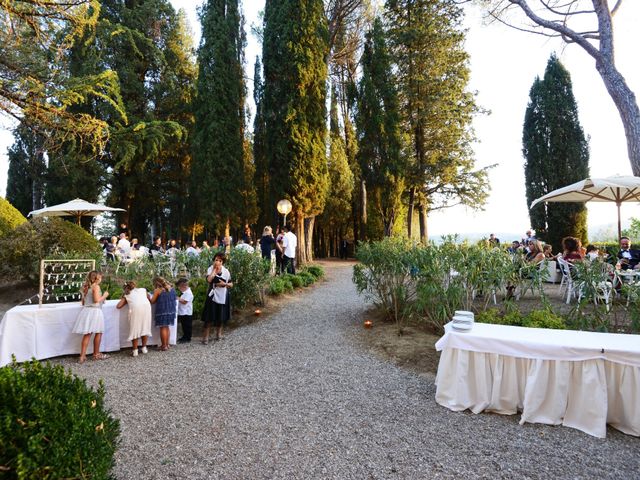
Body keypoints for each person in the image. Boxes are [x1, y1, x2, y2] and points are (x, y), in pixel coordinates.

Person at [72, 271, 110, 363]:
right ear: (95, 279)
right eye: (100, 278)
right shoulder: (96, 286)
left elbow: (84, 302)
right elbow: (96, 300)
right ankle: (96, 354)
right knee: (98, 333)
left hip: (87, 311)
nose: (101, 279)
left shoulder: (86, 287)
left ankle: (82, 356)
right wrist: (104, 296)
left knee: (87, 334)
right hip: (95, 312)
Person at [201, 252, 233, 344]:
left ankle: (219, 335)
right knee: (209, 316)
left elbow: (231, 283)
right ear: (214, 260)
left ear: (222, 262)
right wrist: (214, 271)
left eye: (220, 260)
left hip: (223, 295)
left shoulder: (226, 271)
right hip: (213, 295)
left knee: (221, 315)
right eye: (216, 260)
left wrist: (225, 284)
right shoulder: (210, 269)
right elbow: (209, 280)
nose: (218, 262)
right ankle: (205, 337)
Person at [116, 281, 152, 357]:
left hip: (136, 310)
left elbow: (118, 306)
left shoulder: (127, 294)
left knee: (135, 329)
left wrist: (124, 297)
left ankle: (135, 351)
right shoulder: (143, 290)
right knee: (145, 326)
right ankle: (144, 348)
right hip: (146, 309)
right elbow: (149, 298)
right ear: (135, 285)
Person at [149, 276, 177, 351]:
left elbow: (152, 301)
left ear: (156, 283)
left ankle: (164, 346)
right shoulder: (171, 287)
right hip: (171, 310)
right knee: (167, 327)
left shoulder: (158, 290)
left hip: (162, 311)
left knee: (163, 328)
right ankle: (167, 344)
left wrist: (148, 296)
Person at [176, 278, 194, 343]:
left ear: (183, 286)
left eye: (179, 287)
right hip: (183, 312)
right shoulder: (184, 293)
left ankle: (188, 338)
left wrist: (178, 298)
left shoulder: (188, 293)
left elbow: (185, 302)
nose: (179, 288)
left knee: (187, 326)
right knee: (184, 325)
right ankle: (184, 336)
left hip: (187, 312)